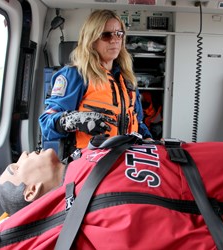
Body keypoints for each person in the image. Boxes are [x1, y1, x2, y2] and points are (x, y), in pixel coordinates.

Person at [0, 135, 223, 249]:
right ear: (31, 191)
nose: (23, 156)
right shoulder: (86, 227)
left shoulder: (87, 158)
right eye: (16, 167)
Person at [39, 9, 152, 155]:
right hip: (90, 165)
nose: (114, 39)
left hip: (126, 162)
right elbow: (46, 123)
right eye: (106, 35)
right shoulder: (76, 75)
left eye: (119, 33)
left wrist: (149, 140)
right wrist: (75, 120)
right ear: (91, 39)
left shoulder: (128, 80)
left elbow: (139, 123)